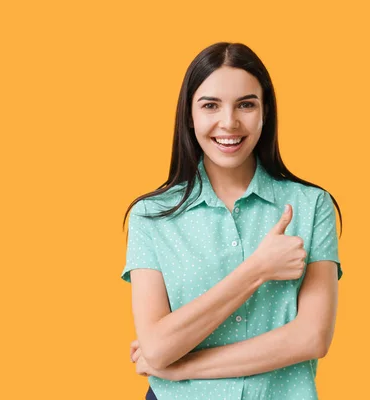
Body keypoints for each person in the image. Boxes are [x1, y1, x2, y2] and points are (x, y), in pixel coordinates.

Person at [120, 42, 343, 400]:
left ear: (265, 112)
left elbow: (312, 338)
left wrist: (184, 366)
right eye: (210, 105)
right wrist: (257, 269)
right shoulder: (151, 217)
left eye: (246, 105)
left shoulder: (312, 205)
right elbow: (158, 347)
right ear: (189, 115)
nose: (229, 122)